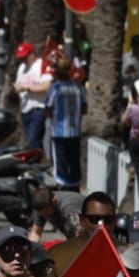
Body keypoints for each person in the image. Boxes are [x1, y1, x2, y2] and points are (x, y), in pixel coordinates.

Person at [46, 55, 85, 190]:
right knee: (74, 160)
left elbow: (49, 108)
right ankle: (75, 186)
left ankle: (62, 187)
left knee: (60, 162)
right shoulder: (78, 87)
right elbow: (84, 108)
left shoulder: (55, 88)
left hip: (59, 132)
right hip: (75, 132)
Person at [12, 42, 52, 154]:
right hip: (25, 110)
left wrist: (27, 88)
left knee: (33, 141)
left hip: (38, 109)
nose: (23, 60)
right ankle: (39, 165)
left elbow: (46, 86)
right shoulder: (22, 67)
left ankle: (34, 165)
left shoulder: (41, 65)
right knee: (34, 142)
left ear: (32, 54)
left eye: (25, 57)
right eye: (22, 57)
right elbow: (18, 84)